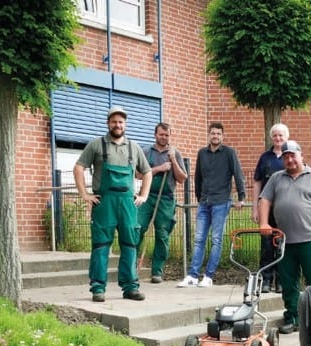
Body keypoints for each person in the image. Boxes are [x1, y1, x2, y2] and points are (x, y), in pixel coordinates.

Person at [259, 140, 311, 334]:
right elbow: (265, 200)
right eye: (286, 157)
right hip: (285, 241)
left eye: (292, 155)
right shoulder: (277, 178)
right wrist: (264, 223)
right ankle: (293, 317)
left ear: (301, 156)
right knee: (288, 283)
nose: (290, 160)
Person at [74, 106, 152, 302]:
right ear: (108, 123)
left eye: (121, 122)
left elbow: (147, 172)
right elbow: (78, 168)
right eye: (114, 121)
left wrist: (143, 195)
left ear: (125, 124)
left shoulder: (134, 147)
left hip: (128, 204)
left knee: (130, 245)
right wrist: (84, 194)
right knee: (100, 246)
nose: (118, 125)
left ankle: (130, 288)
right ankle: (98, 289)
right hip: (104, 203)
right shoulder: (96, 145)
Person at [177, 122, 245, 288]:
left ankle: (208, 276)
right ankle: (193, 275)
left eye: (218, 134)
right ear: (209, 135)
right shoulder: (202, 153)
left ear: (222, 136)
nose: (215, 136)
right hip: (204, 202)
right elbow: (198, 177)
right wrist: (199, 197)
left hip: (221, 201)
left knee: (216, 239)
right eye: (213, 133)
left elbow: (238, 174)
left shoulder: (229, 153)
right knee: (199, 239)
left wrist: (241, 197)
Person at [137, 122, 188, 283]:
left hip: (166, 199)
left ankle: (157, 272)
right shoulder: (145, 152)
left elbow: (182, 178)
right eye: (161, 134)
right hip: (146, 196)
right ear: (155, 134)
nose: (164, 137)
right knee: (136, 229)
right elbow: (138, 175)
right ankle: (131, 267)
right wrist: (159, 168)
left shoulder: (175, 153)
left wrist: (173, 161)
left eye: (167, 135)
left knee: (162, 234)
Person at [251, 123, 288, 293]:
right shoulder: (265, 157)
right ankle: (266, 280)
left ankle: (281, 281)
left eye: (281, 135)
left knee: (282, 245)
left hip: (284, 209)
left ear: (286, 137)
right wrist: (255, 208)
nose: (278, 138)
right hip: (266, 209)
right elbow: (257, 183)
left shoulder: (291, 156)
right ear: (271, 137)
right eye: (275, 136)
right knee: (266, 246)